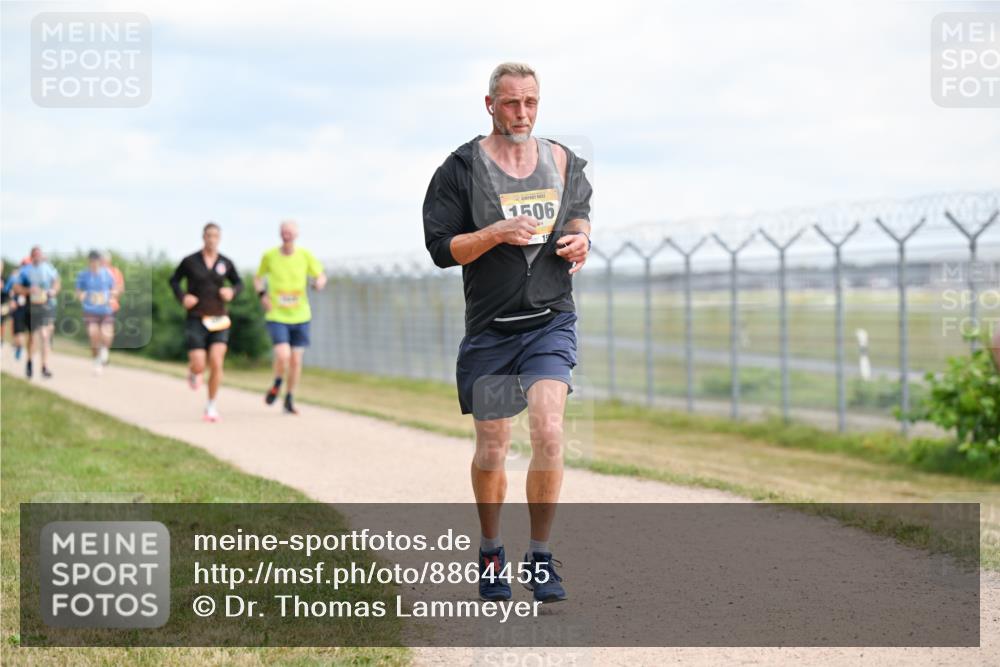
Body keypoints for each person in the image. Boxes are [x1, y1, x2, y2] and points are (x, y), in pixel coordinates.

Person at [422, 62, 592, 603]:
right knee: (493, 447)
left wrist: (582, 240)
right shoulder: (461, 168)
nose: (523, 113)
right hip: (493, 332)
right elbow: (442, 250)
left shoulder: (562, 159)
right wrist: (493, 232)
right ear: (490, 104)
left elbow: (579, 213)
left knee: (548, 430)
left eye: (532, 103)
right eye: (512, 103)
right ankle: (492, 548)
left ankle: (540, 557)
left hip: (548, 321)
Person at [168, 222, 243, 422]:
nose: (212, 239)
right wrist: (183, 297)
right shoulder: (190, 261)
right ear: (203, 237)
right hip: (196, 317)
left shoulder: (225, 263)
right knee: (200, 364)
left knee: (217, 362)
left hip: (219, 317)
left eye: (215, 236)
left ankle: (211, 406)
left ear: (219, 238)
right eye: (208, 235)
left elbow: (239, 283)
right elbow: (174, 280)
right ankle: (194, 371)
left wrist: (232, 292)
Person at [254, 220, 327, 415]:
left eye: (290, 231)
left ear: (296, 234)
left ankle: (290, 397)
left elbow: (320, 275)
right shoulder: (269, 256)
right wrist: (262, 295)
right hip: (277, 314)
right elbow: (258, 278)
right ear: (280, 233)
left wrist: (319, 283)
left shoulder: (305, 255)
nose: (287, 234)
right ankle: (277, 382)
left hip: (301, 315)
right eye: (283, 231)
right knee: (283, 355)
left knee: (296, 360)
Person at [13, 246, 61, 379]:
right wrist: (29, 290)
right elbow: (16, 287)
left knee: (45, 336)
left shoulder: (48, 268)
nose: (38, 256)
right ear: (31, 256)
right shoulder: (26, 270)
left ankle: (44, 366)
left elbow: (57, 282)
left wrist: (53, 291)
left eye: (40, 254)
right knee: (33, 338)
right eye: (35, 254)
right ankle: (29, 361)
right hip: (32, 307)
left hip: (47, 306)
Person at [76, 250, 119, 374]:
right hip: (90, 310)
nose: (94, 263)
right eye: (92, 260)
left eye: (96, 260)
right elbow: (79, 290)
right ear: (89, 261)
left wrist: (112, 296)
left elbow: (114, 288)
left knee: (107, 335)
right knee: (93, 335)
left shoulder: (107, 274)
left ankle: (105, 352)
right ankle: (96, 360)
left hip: (105, 309)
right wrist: (81, 295)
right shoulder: (83, 275)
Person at [4, 259, 30, 361]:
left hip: (21, 307)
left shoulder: (15, 276)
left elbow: (7, 290)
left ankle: (18, 346)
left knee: (18, 329)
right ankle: (18, 345)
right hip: (22, 306)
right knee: (18, 328)